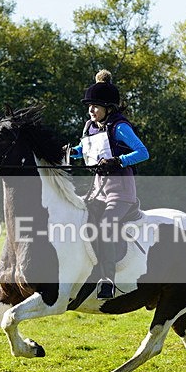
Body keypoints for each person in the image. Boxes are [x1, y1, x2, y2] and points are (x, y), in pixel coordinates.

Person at [71, 70, 149, 299]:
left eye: (95, 106)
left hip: (121, 193)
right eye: (89, 106)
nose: (91, 110)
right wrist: (69, 153)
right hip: (97, 190)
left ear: (108, 107)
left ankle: (108, 280)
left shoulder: (119, 127)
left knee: (105, 226)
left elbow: (143, 153)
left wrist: (118, 160)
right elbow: (84, 150)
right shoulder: (90, 127)